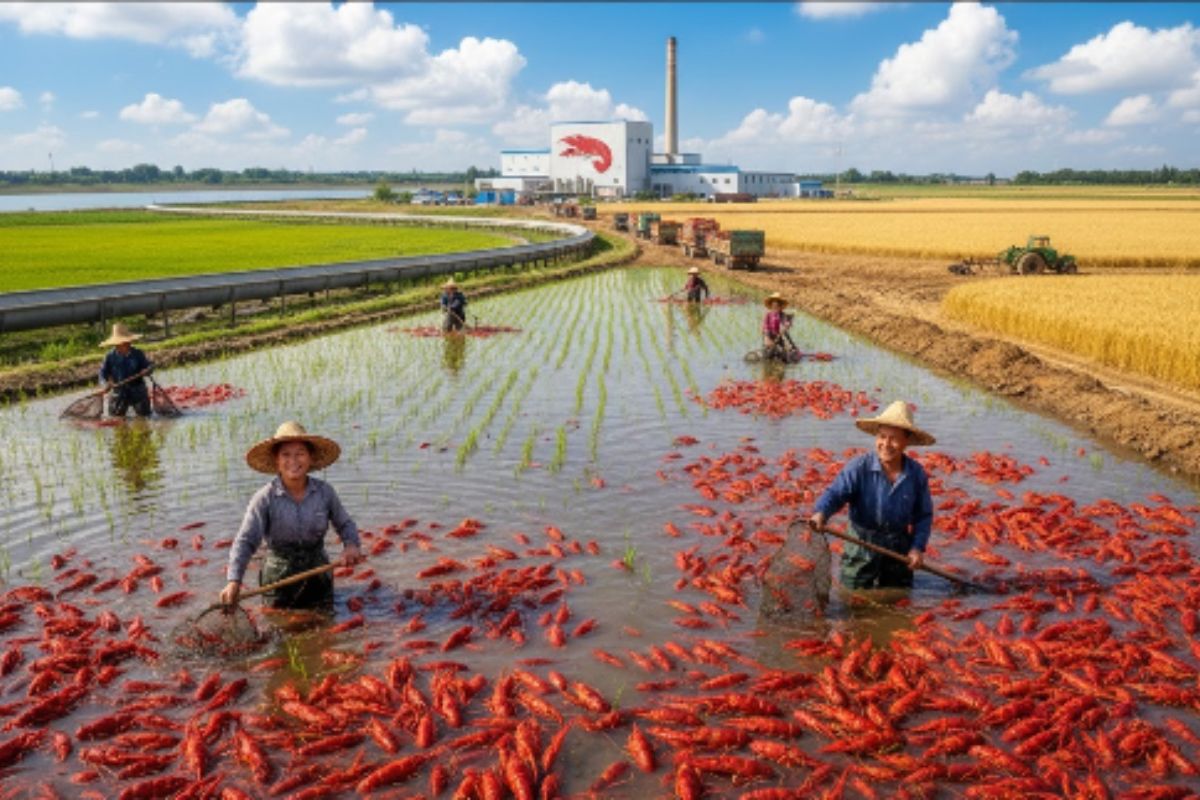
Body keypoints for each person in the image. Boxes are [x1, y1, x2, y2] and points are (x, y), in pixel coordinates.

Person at [220, 421, 363, 610]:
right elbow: (245, 540)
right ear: (276, 461)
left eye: (300, 454)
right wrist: (234, 580)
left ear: (310, 458)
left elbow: (345, 524)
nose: (293, 461)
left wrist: (351, 545)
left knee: (324, 630)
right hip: (278, 582)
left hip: (318, 577)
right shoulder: (265, 498)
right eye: (285, 455)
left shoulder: (324, 492)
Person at [807, 401, 935, 589]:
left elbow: (923, 516)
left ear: (906, 441)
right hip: (860, 545)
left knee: (897, 597)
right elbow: (835, 493)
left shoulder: (916, 474)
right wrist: (821, 513)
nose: (886, 444)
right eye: (882, 437)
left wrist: (916, 548)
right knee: (853, 597)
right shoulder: (858, 467)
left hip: (898, 549)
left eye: (894, 439)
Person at [98, 322, 154, 418]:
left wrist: (147, 370)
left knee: (145, 416)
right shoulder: (110, 357)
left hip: (137, 389)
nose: (124, 345)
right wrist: (105, 384)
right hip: (119, 390)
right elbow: (102, 374)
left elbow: (148, 366)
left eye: (126, 343)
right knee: (116, 418)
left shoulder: (137, 354)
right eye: (120, 344)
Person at [761, 293, 793, 362]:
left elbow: (786, 322)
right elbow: (765, 327)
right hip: (769, 336)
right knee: (768, 355)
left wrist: (787, 324)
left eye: (777, 305)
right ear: (771, 306)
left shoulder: (782, 315)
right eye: (773, 305)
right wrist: (767, 338)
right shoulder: (768, 315)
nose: (775, 307)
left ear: (780, 306)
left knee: (784, 355)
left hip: (779, 337)